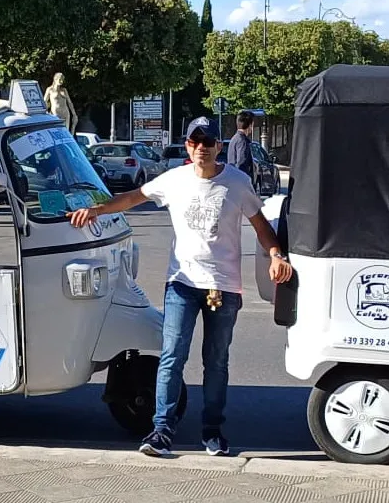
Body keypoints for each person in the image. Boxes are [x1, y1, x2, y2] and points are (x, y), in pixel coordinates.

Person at [67, 116, 293, 457]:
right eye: (195, 141)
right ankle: (161, 430)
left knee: (216, 361)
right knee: (171, 356)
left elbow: (260, 225)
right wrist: (96, 210)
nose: (201, 147)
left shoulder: (237, 182)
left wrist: (276, 254)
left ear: (219, 146)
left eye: (208, 141)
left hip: (223, 287)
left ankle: (213, 431)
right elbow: (132, 198)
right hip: (182, 284)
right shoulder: (175, 180)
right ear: (188, 146)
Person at [226, 110, 255, 181]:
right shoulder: (242, 141)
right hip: (240, 182)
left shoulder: (234, 138)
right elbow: (242, 164)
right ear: (250, 125)